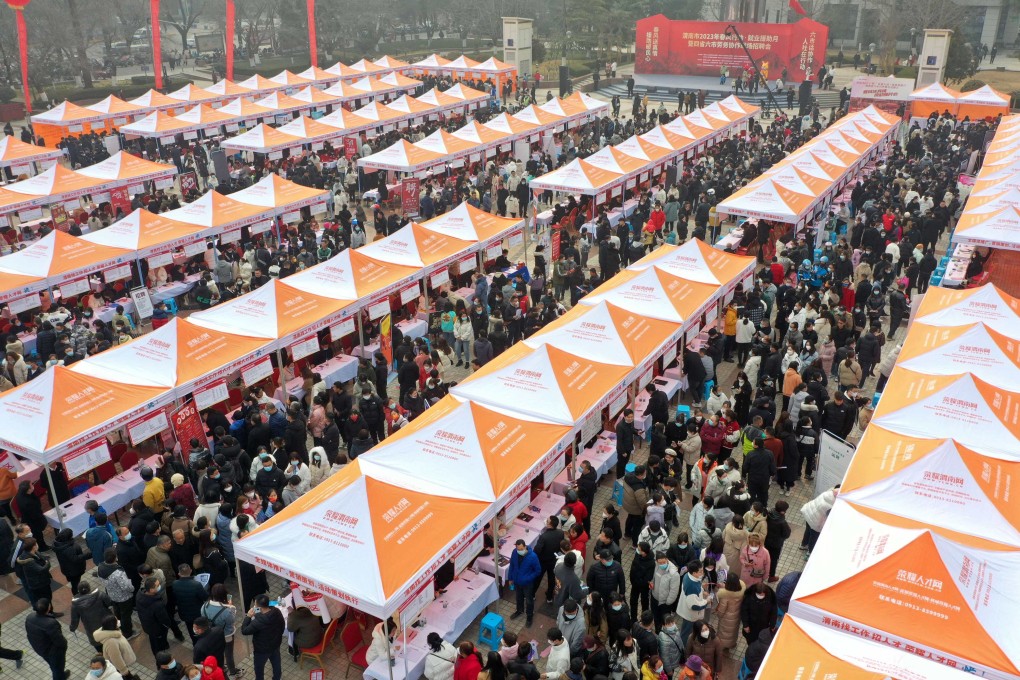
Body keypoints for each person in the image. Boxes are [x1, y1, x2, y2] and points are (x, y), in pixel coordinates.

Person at [241, 594, 285, 680]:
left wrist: (248, 617)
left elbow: (244, 631)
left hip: (261, 650)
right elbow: (282, 626)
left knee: (259, 670)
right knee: (276, 665)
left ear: (259, 607)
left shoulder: (258, 622)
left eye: (255, 605)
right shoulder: (276, 611)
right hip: (275, 645)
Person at [201, 585, 242, 677]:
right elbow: (231, 621)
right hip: (227, 635)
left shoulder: (204, 607)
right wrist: (231, 606)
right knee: (229, 654)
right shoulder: (227, 610)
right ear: (224, 594)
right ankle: (233, 671)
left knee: (217, 651)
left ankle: (222, 667)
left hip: (212, 634)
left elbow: (203, 620)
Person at [26, 598, 67, 680]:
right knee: (57, 669)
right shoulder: (51, 623)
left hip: (40, 649)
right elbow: (59, 641)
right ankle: (59, 676)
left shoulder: (29, 617)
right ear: (48, 608)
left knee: (53, 666)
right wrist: (64, 645)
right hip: (53, 652)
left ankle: (61, 675)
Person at [70, 582, 114, 651]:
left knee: (99, 646)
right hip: (107, 623)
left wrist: (72, 628)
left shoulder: (76, 605)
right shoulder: (100, 594)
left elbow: (75, 619)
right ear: (89, 587)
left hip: (92, 629)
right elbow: (109, 602)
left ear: (79, 591)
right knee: (111, 641)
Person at [137, 576, 173, 657]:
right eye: (157, 585)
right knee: (157, 644)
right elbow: (164, 619)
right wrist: (167, 625)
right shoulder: (157, 604)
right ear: (151, 590)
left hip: (147, 625)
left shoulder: (139, 595)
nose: (159, 586)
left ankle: (164, 646)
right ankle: (159, 657)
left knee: (154, 640)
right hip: (157, 629)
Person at [507, 540, 541, 626]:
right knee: (518, 597)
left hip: (527, 583)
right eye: (518, 549)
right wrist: (510, 578)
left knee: (529, 600)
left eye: (521, 549)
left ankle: (529, 616)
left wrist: (528, 578)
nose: (519, 551)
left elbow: (538, 571)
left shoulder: (533, 556)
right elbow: (512, 565)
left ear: (525, 547)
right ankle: (519, 610)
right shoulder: (515, 552)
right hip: (517, 581)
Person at [675, 559, 709, 644]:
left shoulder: (688, 575)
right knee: (686, 633)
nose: (703, 573)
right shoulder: (692, 586)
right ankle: (684, 650)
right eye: (700, 571)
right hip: (690, 615)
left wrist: (701, 590)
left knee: (685, 630)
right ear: (694, 573)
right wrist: (706, 601)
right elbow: (694, 606)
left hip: (685, 609)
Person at [17, 537, 56, 609]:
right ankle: (48, 613)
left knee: (48, 597)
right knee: (45, 599)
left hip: (42, 581)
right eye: (36, 544)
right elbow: (42, 569)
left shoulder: (34, 552)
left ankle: (50, 611)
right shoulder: (28, 560)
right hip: (38, 584)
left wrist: (45, 561)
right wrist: (47, 563)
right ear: (33, 547)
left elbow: (44, 558)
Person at [94, 616, 137, 680]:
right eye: (117, 621)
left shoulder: (113, 633)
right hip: (119, 669)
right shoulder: (111, 642)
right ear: (112, 625)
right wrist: (125, 672)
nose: (118, 622)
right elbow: (116, 658)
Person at [800, 485, 839, 557]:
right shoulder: (832, 504)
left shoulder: (828, 493)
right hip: (816, 521)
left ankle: (803, 544)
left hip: (809, 513)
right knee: (814, 537)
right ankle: (810, 552)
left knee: (808, 530)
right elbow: (830, 516)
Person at [715, 572, 746, 651]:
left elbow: (721, 611)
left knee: (724, 633)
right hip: (736, 617)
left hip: (726, 619)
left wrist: (718, 615)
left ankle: (723, 646)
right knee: (733, 632)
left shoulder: (725, 596)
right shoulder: (742, 591)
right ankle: (731, 644)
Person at [53, 528, 90, 595]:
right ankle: (76, 594)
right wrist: (88, 555)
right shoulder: (69, 548)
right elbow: (75, 559)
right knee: (75, 584)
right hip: (74, 570)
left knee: (73, 581)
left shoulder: (58, 545)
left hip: (66, 568)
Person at [650, 550, 681, 631]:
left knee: (664, 621)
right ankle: (657, 632)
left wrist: (668, 602)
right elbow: (653, 577)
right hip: (654, 598)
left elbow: (674, 591)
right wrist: (651, 582)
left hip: (665, 603)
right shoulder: (656, 566)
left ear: (667, 559)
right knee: (656, 618)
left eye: (664, 562)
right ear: (656, 561)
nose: (662, 564)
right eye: (660, 562)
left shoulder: (674, 574)